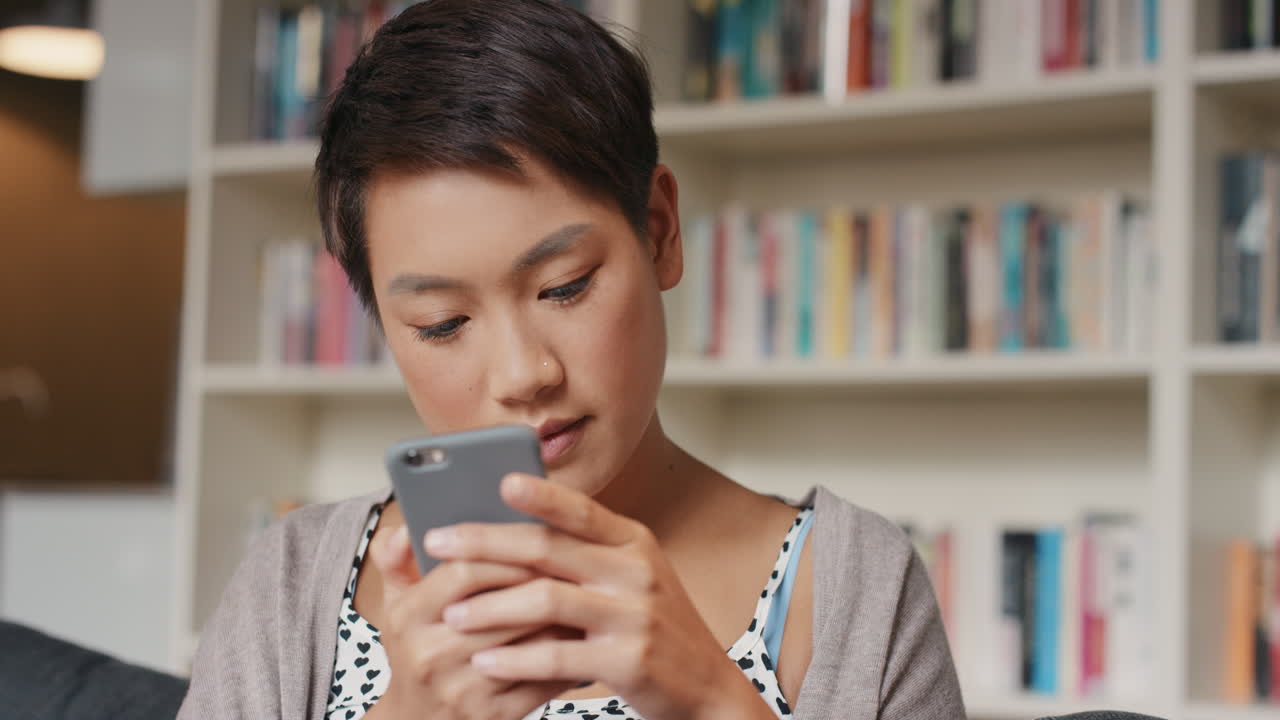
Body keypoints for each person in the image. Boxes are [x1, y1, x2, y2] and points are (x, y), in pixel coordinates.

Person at [176, 1, 965, 718]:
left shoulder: (855, 589)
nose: (524, 375)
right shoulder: (294, 584)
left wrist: (711, 704)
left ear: (658, 230)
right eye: (444, 323)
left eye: (564, 286)